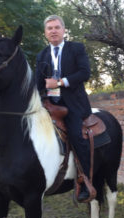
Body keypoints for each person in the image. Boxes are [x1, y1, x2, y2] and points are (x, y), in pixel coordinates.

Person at [36, 15, 93, 202]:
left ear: (64, 30)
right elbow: (38, 83)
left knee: (77, 136)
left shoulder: (76, 48)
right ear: (45, 33)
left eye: (56, 27)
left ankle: (86, 181)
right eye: (49, 28)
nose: (53, 31)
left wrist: (59, 82)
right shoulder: (42, 55)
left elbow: (85, 72)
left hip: (73, 103)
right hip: (49, 103)